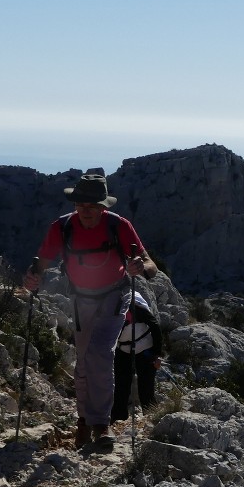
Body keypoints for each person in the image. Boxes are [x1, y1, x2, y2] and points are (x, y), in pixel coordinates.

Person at [23, 173, 158, 449]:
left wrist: (140, 268)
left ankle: (100, 424)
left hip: (114, 297)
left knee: (99, 353)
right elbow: (42, 261)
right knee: (83, 362)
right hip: (81, 301)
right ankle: (83, 421)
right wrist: (32, 276)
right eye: (81, 205)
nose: (86, 210)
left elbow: (150, 264)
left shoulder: (119, 226)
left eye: (93, 205)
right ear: (75, 204)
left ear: (103, 207)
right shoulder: (62, 227)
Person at [111, 291, 163, 422]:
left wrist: (156, 355)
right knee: (120, 387)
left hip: (145, 349)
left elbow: (155, 326)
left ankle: (152, 420)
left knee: (146, 388)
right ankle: (118, 419)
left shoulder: (136, 307)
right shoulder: (109, 308)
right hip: (123, 351)